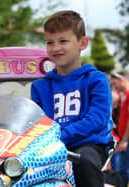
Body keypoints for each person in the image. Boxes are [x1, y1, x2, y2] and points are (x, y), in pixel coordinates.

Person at [30, 10, 113, 187]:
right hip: (50, 147)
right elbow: (34, 122)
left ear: (82, 43)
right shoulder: (39, 87)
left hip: (89, 143)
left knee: (83, 162)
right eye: (50, 42)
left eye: (63, 41)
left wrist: (60, 136)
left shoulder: (96, 79)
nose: (55, 48)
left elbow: (97, 118)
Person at [111, 72, 129, 187]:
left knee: (121, 170)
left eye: (115, 83)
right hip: (123, 137)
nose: (114, 87)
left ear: (121, 79)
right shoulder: (124, 95)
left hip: (126, 139)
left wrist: (125, 139)